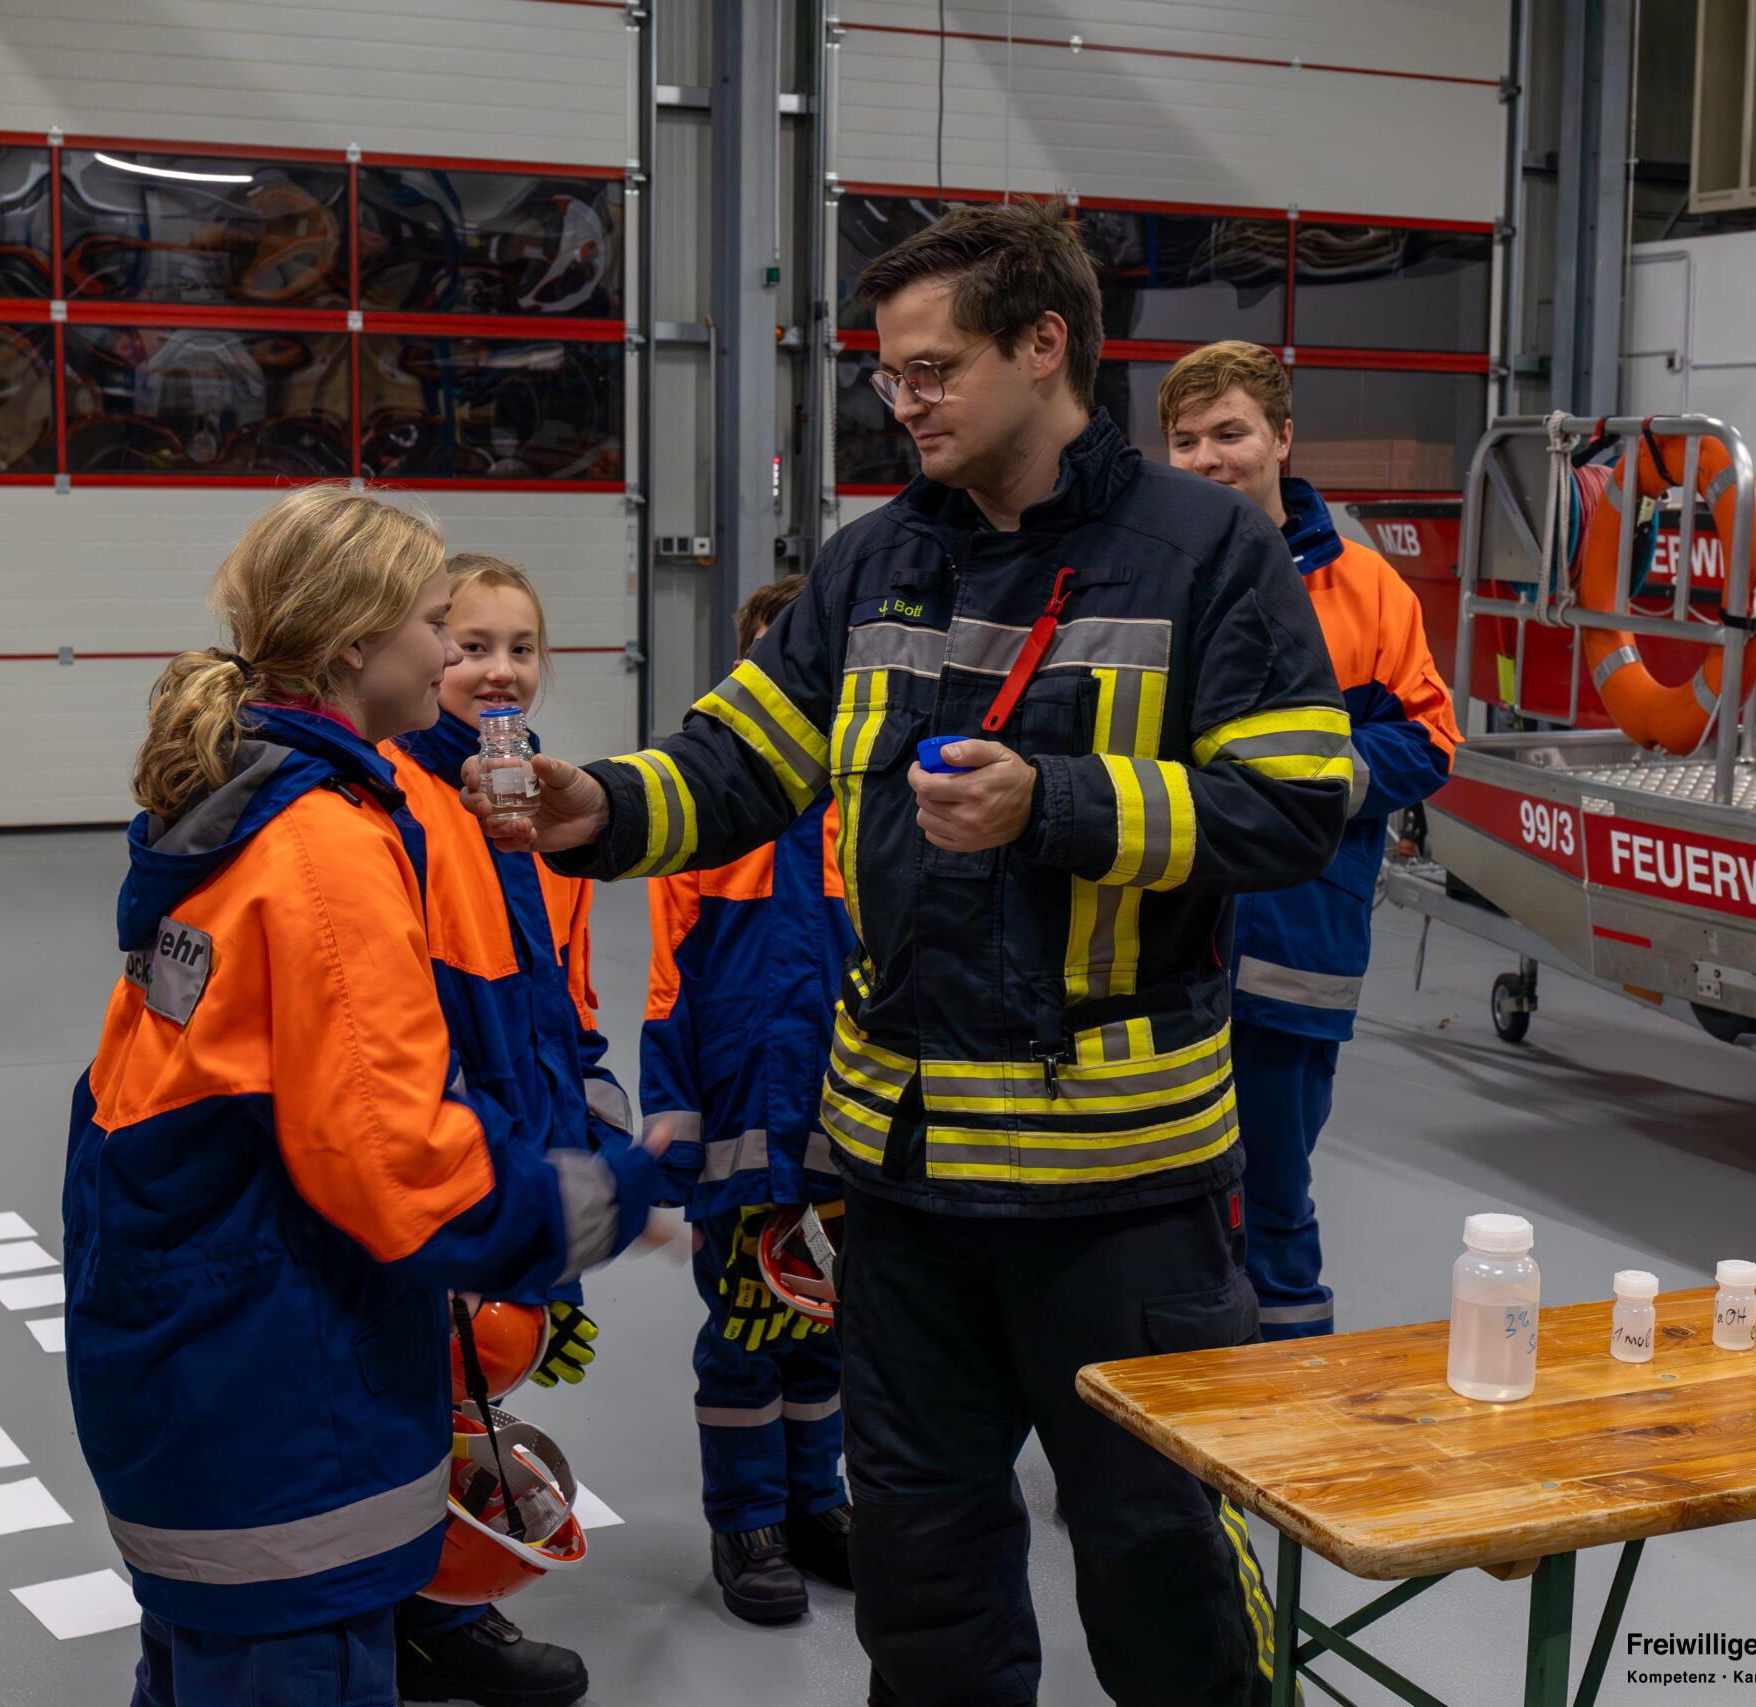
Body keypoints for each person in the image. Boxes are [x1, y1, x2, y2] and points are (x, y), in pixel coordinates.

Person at [459, 199, 1357, 1707]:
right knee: (925, 1580)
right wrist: (596, 804)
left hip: (1118, 1192)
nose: (906, 401)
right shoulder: (873, 561)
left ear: (1044, 344)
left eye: (933, 368)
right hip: (902, 1185)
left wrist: (1053, 802)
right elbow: (740, 757)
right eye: (890, 374)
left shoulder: (1205, 553)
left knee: (1165, 1572)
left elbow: (1296, 805)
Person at [63, 487, 665, 1707]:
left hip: (196, 1352)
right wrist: (606, 1194)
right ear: (354, 643)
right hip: (285, 1387)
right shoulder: (323, 848)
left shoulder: (244, 800)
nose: (453, 654)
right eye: (438, 624)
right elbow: (399, 1168)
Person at [1162, 339, 1463, 1340]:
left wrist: (1295, 782)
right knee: (1149, 1213)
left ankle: (1283, 1409)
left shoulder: (1367, 590)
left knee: (1272, 1209)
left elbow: (1426, 743)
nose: (1208, 458)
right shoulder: (1140, 579)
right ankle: (1164, 1422)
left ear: (1282, 438)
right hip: (1151, 959)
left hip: (1293, 953)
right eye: (1185, 440)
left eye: (1231, 432)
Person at [383, 552, 630, 1707]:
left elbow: (555, 997)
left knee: (475, 1383)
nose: (496, 669)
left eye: (520, 649)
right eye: (470, 644)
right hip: (450, 1161)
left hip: (522, 1151)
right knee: (424, 1393)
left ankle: (433, 1606)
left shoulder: (534, 800)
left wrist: (590, 1117)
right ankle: (424, 1619)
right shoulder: (403, 796)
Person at [639, 573, 855, 1626]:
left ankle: (817, 1502)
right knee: (743, 1333)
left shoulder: (870, 809)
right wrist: (674, 1138)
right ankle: (748, 1521)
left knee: (828, 1325)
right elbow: (666, 988)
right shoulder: (710, 818)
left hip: (844, 1136)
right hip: (737, 1130)